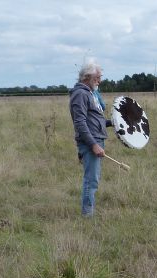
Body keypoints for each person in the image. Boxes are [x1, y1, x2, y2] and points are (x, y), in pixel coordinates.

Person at [69, 62, 107, 217]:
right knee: (91, 181)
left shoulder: (89, 93)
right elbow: (80, 122)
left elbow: (93, 120)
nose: (99, 81)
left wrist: (115, 123)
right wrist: (93, 145)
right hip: (90, 143)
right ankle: (87, 216)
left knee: (93, 179)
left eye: (100, 77)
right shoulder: (81, 94)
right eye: (97, 78)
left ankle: (88, 213)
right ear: (86, 77)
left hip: (95, 140)